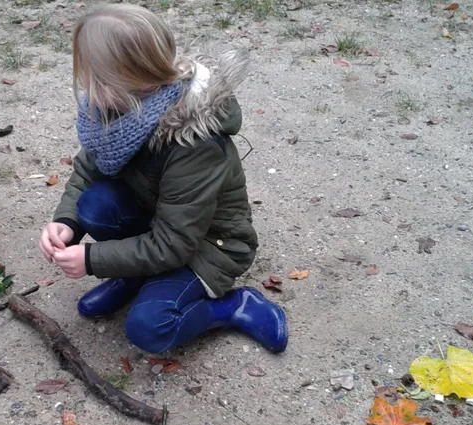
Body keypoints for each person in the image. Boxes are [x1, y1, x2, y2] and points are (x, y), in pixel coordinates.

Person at [38, 4, 288, 354]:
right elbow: (86, 170)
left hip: (207, 246)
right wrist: (66, 223)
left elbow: (174, 244)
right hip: (157, 222)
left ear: (137, 79)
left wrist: (93, 259)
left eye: (94, 77)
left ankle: (234, 306)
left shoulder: (193, 141)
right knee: (92, 205)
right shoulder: (119, 110)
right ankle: (135, 274)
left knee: (151, 327)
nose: (85, 86)